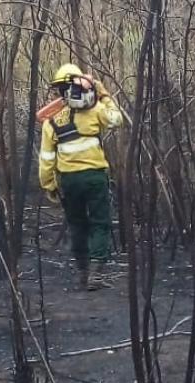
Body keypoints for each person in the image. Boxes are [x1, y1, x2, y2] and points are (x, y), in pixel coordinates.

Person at [39, 63, 123, 291]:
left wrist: (49, 185)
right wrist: (104, 95)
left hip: (68, 180)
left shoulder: (51, 121)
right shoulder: (95, 111)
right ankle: (95, 274)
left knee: (77, 225)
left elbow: (46, 158)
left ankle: (83, 273)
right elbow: (117, 119)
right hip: (94, 177)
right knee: (100, 223)